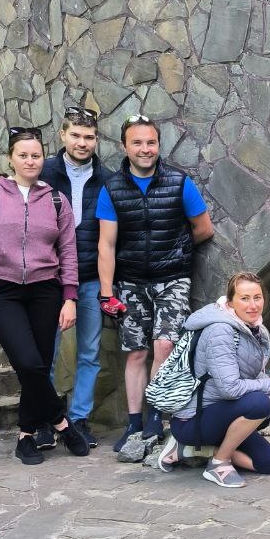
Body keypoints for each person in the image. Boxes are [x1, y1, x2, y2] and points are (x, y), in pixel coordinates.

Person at [0, 126, 90, 464]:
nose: (30, 161)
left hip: (45, 290)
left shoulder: (56, 200)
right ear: (10, 158)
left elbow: (68, 251)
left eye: (36, 155)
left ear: (44, 159)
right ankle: (62, 422)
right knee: (27, 362)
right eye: (23, 155)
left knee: (38, 365)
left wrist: (69, 297)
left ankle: (25, 436)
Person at [96, 115, 214, 451]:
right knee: (136, 353)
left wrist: (178, 250)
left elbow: (204, 228)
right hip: (130, 281)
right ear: (125, 147)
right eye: (137, 143)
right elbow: (106, 244)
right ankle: (134, 423)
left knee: (164, 347)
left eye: (151, 142)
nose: (145, 149)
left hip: (172, 279)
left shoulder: (179, 183)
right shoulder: (112, 189)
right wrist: (106, 292)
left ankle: (155, 416)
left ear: (158, 145)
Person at [157, 272, 270, 488]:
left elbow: (248, 375)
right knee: (259, 404)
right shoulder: (220, 330)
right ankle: (218, 464)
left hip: (223, 417)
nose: (253, 305)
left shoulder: (255, 329)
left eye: (257, 297)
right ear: (230, 302)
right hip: (193, 420)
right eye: (244, 298)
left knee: (268, 463)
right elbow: (230, 388)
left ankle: (192, 450)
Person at [39, 104, 112, 448]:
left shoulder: (106, 178)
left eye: (90, 137)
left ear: (96, 140)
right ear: (63, 135)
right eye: (76, 135)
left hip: (91, 277)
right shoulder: (44, 172)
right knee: (46, 352)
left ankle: (79, 418)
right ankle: (44, 417)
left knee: (90, 352)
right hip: (49, 277)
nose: (83, 143)